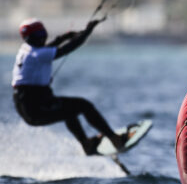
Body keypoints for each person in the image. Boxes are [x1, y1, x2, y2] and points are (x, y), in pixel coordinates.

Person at [12, 18, 127, 155]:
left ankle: (87, 144)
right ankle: (114, 139)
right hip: (35, 109)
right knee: (85, 106)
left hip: (31, 104)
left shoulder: (26, 49)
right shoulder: (37, 54)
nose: (41, 39)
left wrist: (63, 37)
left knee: (69, 110)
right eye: (38, 36)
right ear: (29, 38)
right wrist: (88, 31)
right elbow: (68, 48)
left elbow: (49, 47)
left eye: (43, 35)